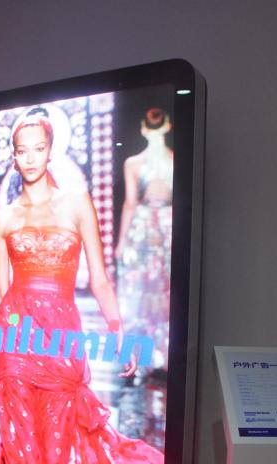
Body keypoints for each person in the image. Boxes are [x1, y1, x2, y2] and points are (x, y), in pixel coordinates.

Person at [0, 107, 164, 464]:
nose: (29, 158)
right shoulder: (4, 217)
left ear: (51, 150)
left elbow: (99, 278)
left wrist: (118, 329)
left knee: (57, 453)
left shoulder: (76, 202)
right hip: (15, 337)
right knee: (24, 446)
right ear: (14, 156)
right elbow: (1, 289)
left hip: (61, 336)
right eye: (21, 151)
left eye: (38, 148)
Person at [115, 107, 173, 372]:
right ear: (168, 126)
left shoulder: (134, 163)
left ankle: (144, 358)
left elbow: (130, 203)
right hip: (168, 223)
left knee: (139, 290)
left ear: (143, 129)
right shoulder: (175, 160)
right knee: (164, 288)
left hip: (144, 225)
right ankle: (163, 356)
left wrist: (121, 242)